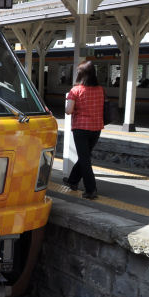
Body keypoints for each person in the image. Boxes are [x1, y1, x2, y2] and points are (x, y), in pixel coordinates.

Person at [63, 61, 104, 199]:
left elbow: (68, 111)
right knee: (84, 157)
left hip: (81, 128)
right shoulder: (100, 89)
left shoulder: (75, 90)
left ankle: (91, 189)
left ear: (80, 74)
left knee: (85, 158)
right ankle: (73, 181)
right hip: (96, 128)